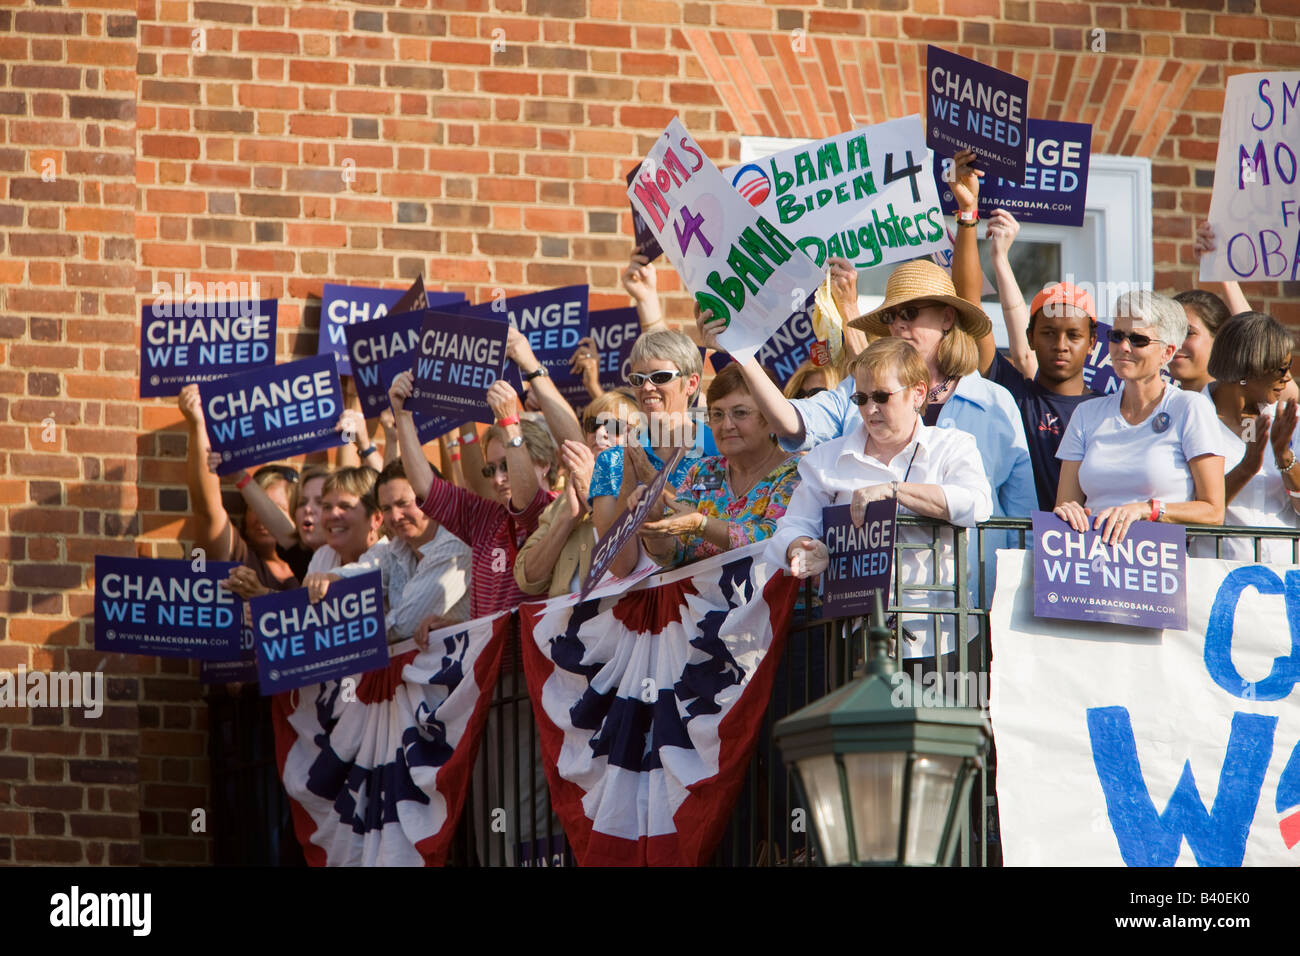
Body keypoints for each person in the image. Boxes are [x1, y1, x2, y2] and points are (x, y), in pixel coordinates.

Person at [702, 259, 1034, 521]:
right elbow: (791, 421)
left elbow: (1022, 512)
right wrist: (741, 353)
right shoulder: (855, 391)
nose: (898, 324)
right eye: (891, 315)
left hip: (975, 592)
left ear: (947, 318)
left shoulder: (994, 402)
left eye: (909, 313)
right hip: (874, 588)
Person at [767, 338, 993, 664]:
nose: (870, 409)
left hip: (942, 634)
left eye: (882, 397)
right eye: (861, 398)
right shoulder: (827, 459)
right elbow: (790, 527)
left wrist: (895, 491)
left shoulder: (952, 445)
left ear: (917, 393)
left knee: (941, 717)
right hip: (857, 637)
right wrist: (801, 547)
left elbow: (977, 504)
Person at [1054, 290, 1225, 545]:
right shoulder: (1086, 413)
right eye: (1117, 336)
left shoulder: (1190, 407)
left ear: (1167, 353)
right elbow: (1065, 504)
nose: (1124, 346)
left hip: (1159, 567)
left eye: (1138, 339)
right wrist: (1069, 512)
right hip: (1092, 564)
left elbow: (1213, 512)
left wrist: (1148, 510)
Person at [979, 208, 1103, 510]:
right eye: (1048, 333)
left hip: (1091, 551)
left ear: (1091, 342)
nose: (1061, 345)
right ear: (1032, 337)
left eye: (1073, 335)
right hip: (1021, 548)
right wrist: (997, 254)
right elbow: (975, 320)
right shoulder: (1016, 396)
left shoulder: (1110, 409)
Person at [639, 363, 802, 568]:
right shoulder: (702, 471)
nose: (726, 425)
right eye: (717, 414)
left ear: (770, 417)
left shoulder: (796, 473)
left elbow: (774, 539)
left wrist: (701, 525)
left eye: (740, 413)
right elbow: (673, 554)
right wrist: (653, 522)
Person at [588, 328, 716, 579]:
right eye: (638, 379)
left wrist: (647, 474)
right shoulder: (611, 459)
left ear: (691, 383)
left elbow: (718, 531)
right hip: (647, 609)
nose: (647, 387)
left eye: (659, 377)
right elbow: (619, 565)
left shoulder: (720, 446)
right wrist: (628, 470)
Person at [301, 459, 472, 643]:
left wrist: (345, 634)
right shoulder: (395, 547)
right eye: (387, 508)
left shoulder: (454, 545)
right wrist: (327, 580)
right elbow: (361, 572)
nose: (396, 516)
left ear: (434, 497)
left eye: (404, 503)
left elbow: (405, 625)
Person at [1194, 312, 1300, 562]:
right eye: (1280, 368)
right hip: (1216, 578)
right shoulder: (1192, 417)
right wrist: (1247, 467)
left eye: (1290, 367)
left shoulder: (1289, 420)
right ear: (1247, 368)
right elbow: (1193, 507)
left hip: (1284, 580)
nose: (1287, 378)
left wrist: (1285, 457)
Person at [515, 390, 639, 598]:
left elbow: (625, 566)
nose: (600, 433)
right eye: (592, 425)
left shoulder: (642, 488)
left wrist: (593, 502)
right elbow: (526, 579)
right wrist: (567, 518)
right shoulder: (564, 499)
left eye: (613, 426)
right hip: (568, 627)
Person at [1169, 288, 1230, 394]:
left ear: (1220, 339)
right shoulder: (1157, 407)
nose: (1174, 343)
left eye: (1188, 333)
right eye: (1168, 332)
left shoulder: (1243, 408)